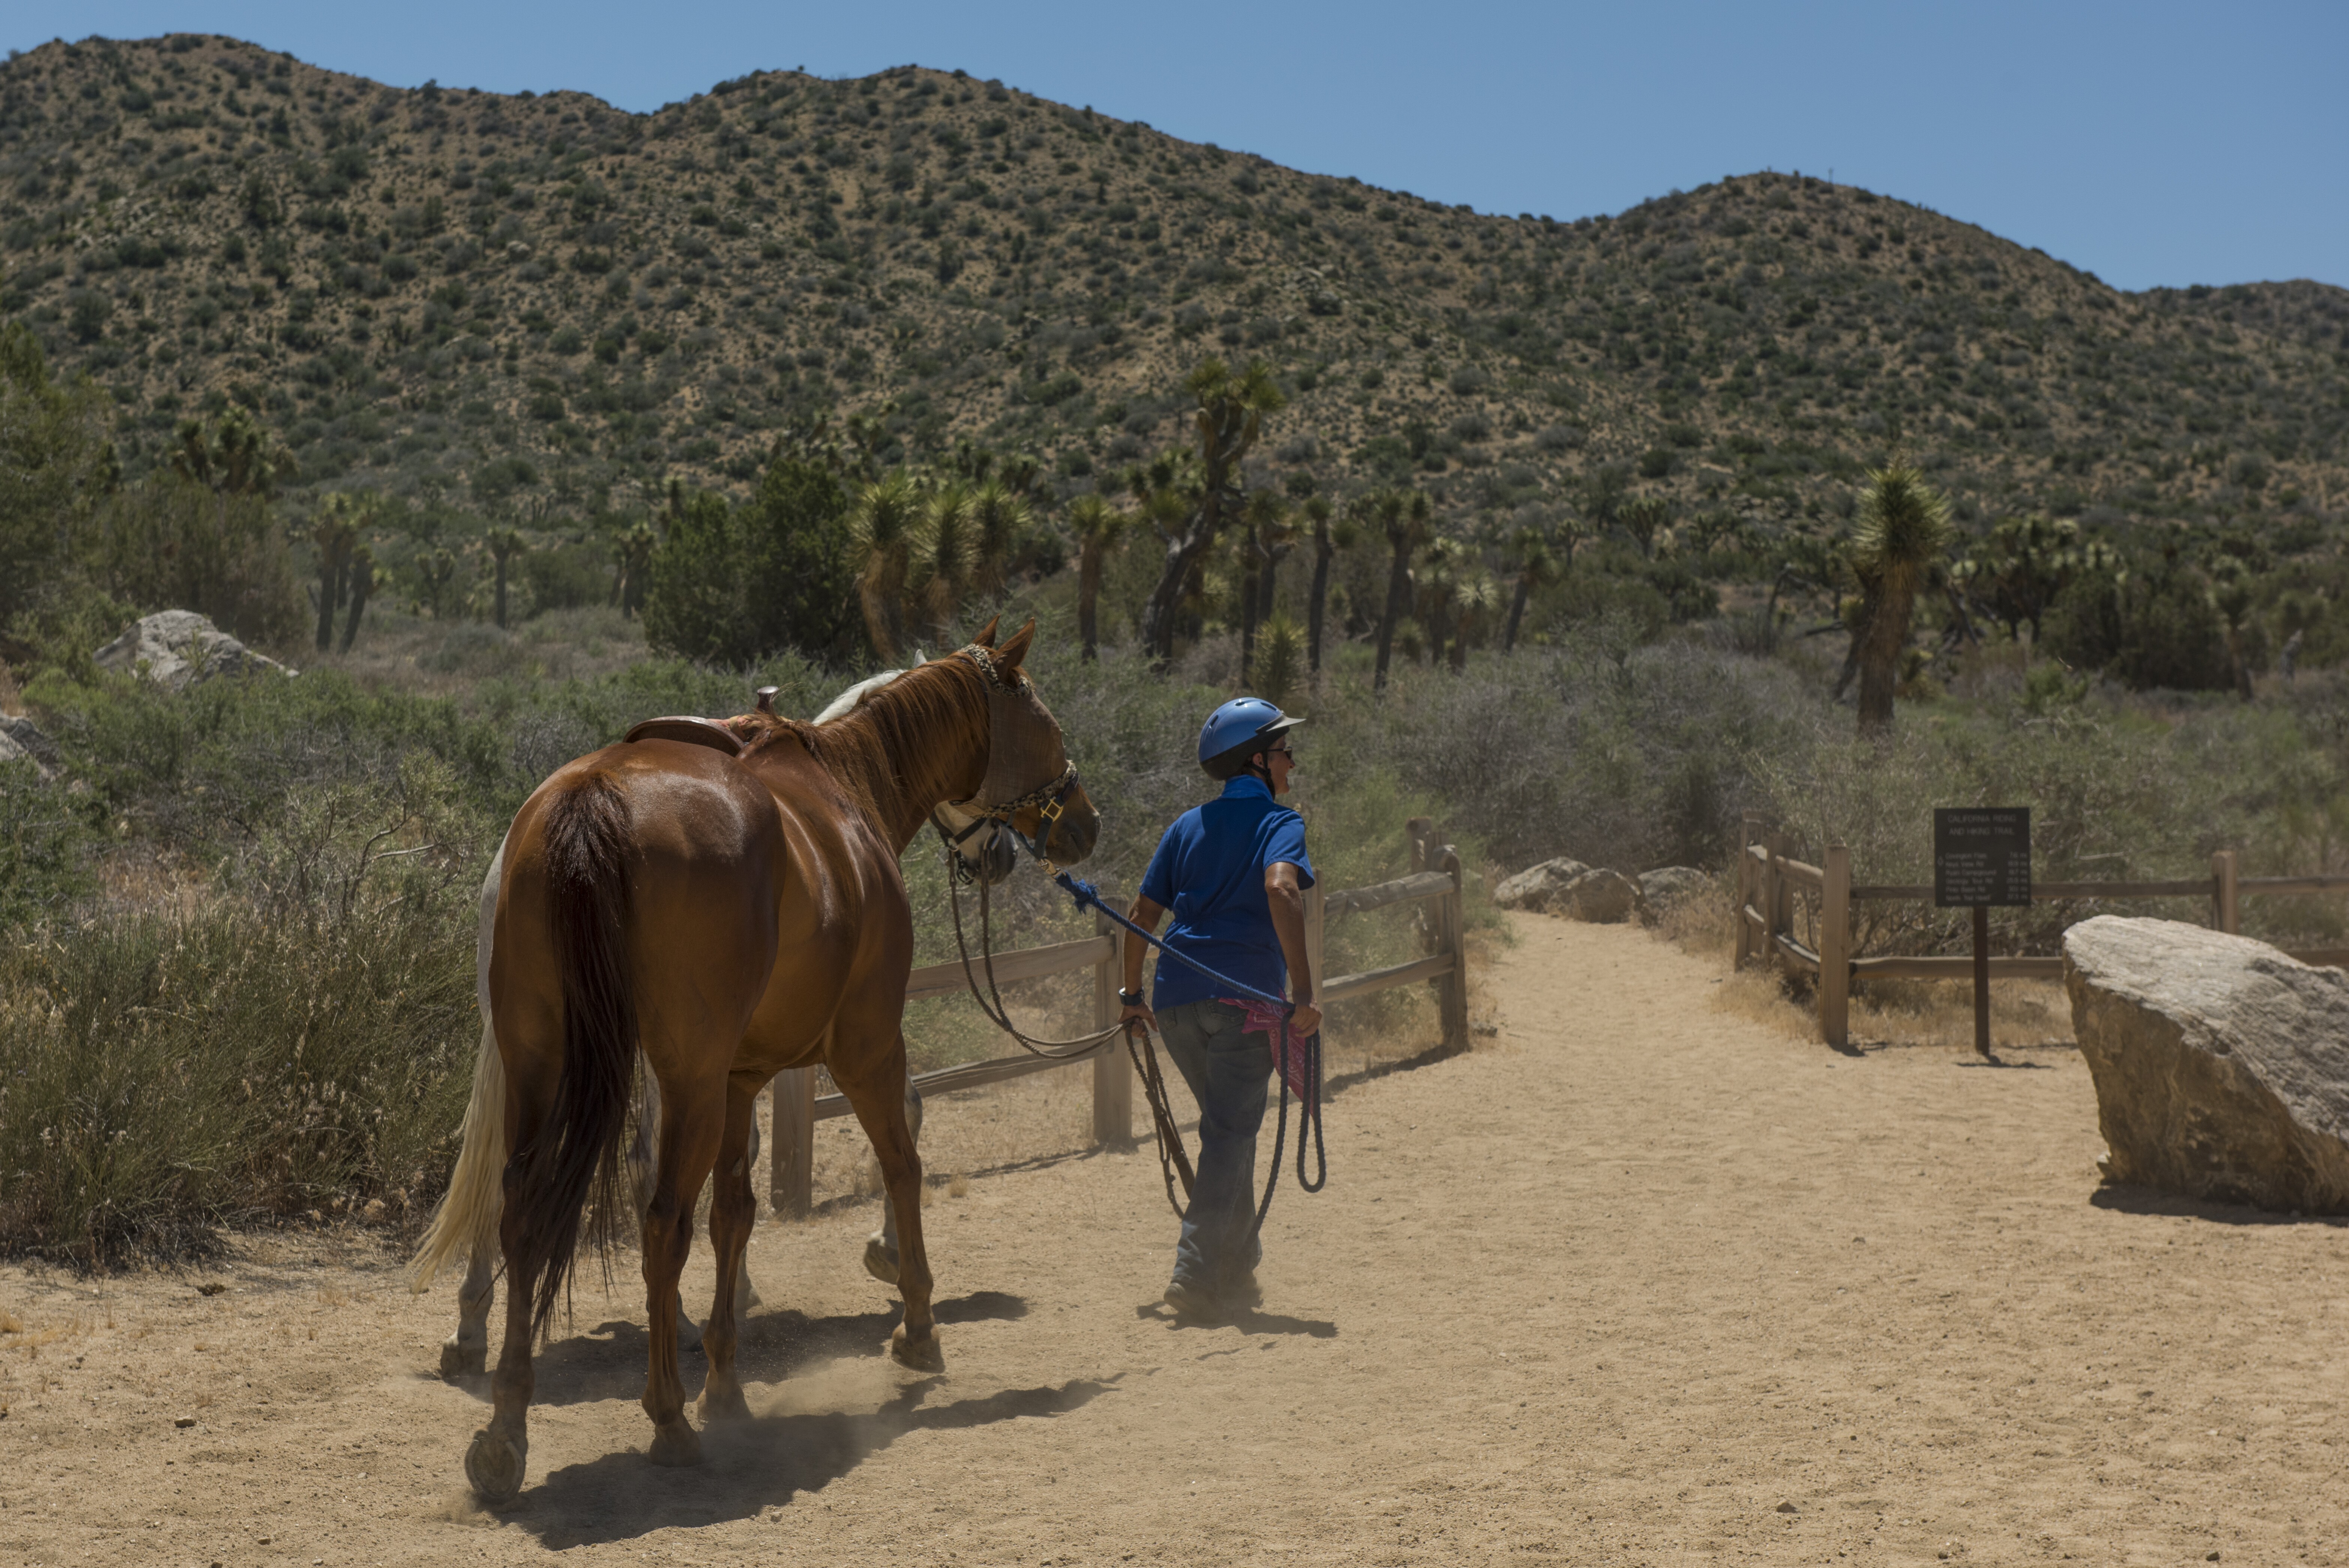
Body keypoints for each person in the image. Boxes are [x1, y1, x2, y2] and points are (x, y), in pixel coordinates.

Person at [1119, 696, 1322, 1319]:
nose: (1292, 761)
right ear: (1258, 761)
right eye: (1285, 749)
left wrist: (1132, 996)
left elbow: (1142, 916)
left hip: (1177, 1000)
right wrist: (1305, 994)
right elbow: (1282, 887)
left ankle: (1239, 1269)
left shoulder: (1185, 827)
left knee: (1224, 1134)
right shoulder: (1279, 824)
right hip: (1245, 1003)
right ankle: (1194, 1274)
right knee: (1230, 1135)